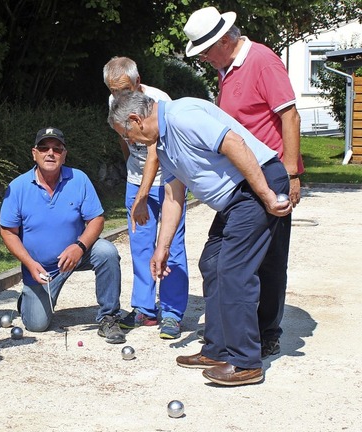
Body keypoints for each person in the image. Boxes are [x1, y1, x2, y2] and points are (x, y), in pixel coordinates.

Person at [108, 91, 292, 386]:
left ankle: (246, 361)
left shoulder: (183, 116)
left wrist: (267, 195)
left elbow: (234, 143)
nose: (131, 142)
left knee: (234, 269)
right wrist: (162, 248)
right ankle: (218, 349)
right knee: (211, 262)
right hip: (235, 198)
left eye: (127, 135)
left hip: (256, 184)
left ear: (136, 120)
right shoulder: (164, 145)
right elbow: (173, 196)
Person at [183, 6, 303, 359]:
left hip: (271, 172)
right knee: (224, 259)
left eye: (205, 50)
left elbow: (290, 115)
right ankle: (230, 337)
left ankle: (267, 333)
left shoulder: (262, 61)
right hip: (242, 179)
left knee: (269, 259)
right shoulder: (226, 69)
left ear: (223, 40)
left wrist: (292, 173)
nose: (203, 58)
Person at [0, 127, 126, 344]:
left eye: (57, 149)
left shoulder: (79, 179)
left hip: (76, 255)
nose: (50, 153)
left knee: (107, 251)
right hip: (41, 270)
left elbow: (97, 219)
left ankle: (108, 317)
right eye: (44, 148)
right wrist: (29, 263)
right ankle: (27, 301)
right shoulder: (18, 187)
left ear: (64, 154)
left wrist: (79, 246)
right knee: (37, 325)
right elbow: (8, 232)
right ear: (34, 153)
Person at [103, 56, 189, 339]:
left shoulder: (156, 101)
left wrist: (141, 195)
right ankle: (144, 309)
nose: (119, 96)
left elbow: (154, 154)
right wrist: (130, 169)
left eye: (124, 90)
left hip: (168, 182)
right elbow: (122, 137)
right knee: (140, 244)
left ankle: (172, 313)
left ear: (138, 82)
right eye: (114, 91)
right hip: (136, 181)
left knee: (172, 244)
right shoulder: (114, 101)